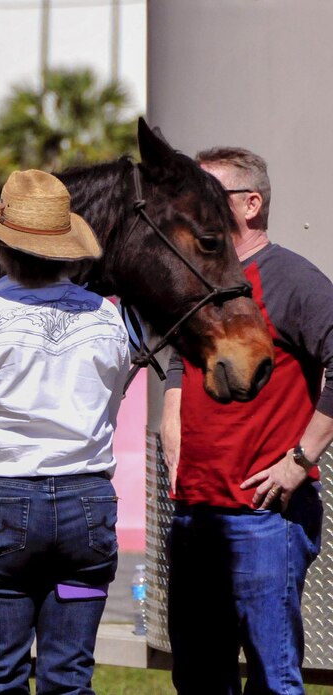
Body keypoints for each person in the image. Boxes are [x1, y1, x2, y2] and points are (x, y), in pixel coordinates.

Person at [0, 169, 130, 695]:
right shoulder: (107, 321)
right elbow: (110, 402)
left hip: (1, 512)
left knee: (1, 671)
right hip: (86, 512)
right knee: (69, 673)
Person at [161, 147, 333, 695]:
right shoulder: (195, 277)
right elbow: (176, 360)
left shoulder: (294, 281)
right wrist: (172, 434)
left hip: (264, 517)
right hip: (193, 516)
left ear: (251, 203)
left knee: (270, 678)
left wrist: (300, 460)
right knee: (198, 679)